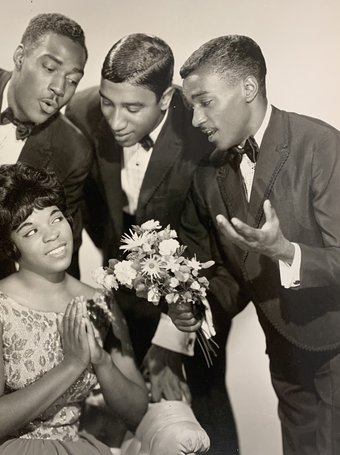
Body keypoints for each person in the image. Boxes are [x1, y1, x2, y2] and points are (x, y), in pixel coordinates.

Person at [66, 33, 238, 454]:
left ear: (165, 99)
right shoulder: (85, 111)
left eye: (132, 108)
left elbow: (216, 256)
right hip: (122, 290)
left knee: (203, 406)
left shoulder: (201, 133)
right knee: (127, 418)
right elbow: (86, 208)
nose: (115, 120)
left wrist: (174, 342)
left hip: (193, 297)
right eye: (109, 102)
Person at [171, 35, 340, 455]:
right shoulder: (208, 176)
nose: (195, 120)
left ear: (248, 88)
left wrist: (286, 252)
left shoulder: (320, 145)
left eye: (205, 102)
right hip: (285, 356)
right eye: (192, 106)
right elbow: (233, 272)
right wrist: (198, 307)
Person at [0, 162, 149, 454]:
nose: (52, 235)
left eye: (55, 218)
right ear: (10, 246)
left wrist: (101, 361)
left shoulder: (101, 302)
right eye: (30, 231)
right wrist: (72, 365)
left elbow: (137, 411)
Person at [0, 13, 91, 311]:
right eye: (50, 68)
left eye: (72, 80)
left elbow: (61, 248)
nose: (59, 88)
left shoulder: (73, 151)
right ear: (20, 56)